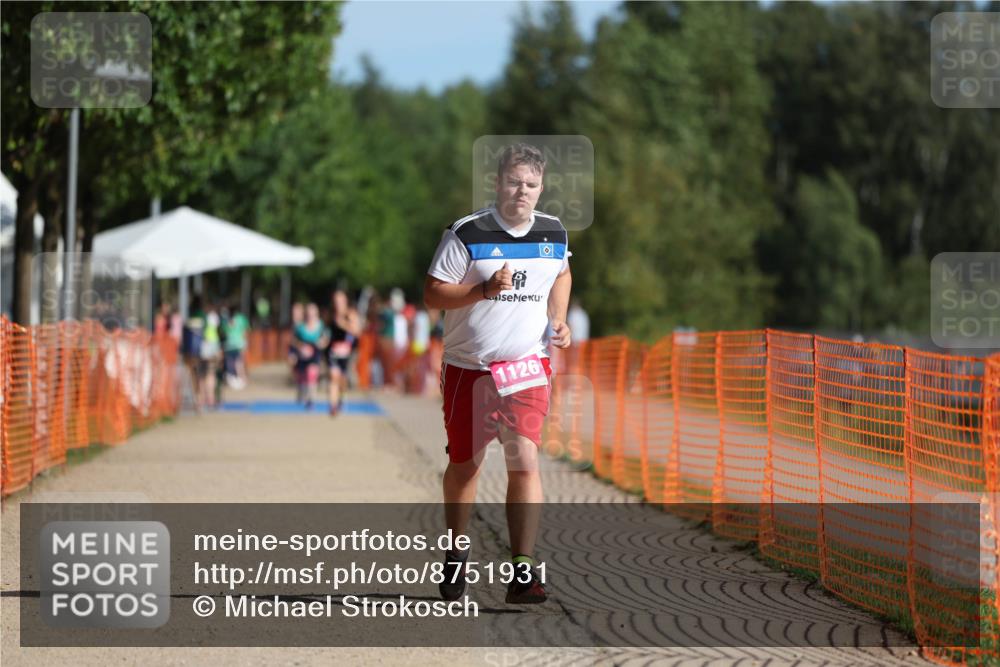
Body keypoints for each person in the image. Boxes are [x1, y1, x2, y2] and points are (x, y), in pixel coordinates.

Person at [423, 143, 572, 604]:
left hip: (527, 366)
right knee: (466, 466)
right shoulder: (467, 233)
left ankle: (523, 571)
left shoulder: (553, 232)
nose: (521, 191)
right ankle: (455, 555)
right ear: (497, 183)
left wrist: (559, 318)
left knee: (524, 460)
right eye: (513, 182)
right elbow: (432, 294)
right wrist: (481, 291)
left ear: (541, 187)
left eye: (530, 184)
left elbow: (561, 273)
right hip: (471, 369)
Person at [326, 289, 360, 416]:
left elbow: (357, 332)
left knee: (342, 380)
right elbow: (326, 332)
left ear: (345, 301)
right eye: (336, 301)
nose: (338, 304)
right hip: (333, 352)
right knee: (333, 376)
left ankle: (341, 398)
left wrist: (343, 324)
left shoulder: (351, 314)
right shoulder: (330, 315)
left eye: (340, 301)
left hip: (347, 353)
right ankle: (332, 406)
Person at [292, 303, 329, 409]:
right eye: (308, 313)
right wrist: (300, 347)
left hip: (315, 353)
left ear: (316, 313)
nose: (310, 315)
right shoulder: (300, 327)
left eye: (313, 312)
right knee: (302, 377)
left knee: (311, 374)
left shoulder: (321, 325)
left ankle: (311, 400)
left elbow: (326, 337)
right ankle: (301, 392)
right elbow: (293, 340)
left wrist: (322, 343)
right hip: (302, 355)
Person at [222, 302, 251, 390]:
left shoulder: (227, 320)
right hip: (239, 344)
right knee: (239, 362)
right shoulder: (242, 318)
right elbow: (246, 331)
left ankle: (236, 379)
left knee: (231, 362)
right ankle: (242, 378)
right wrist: (245, 343)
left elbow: (224, 332)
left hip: (230, 345)